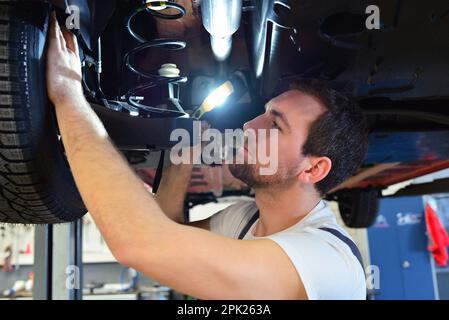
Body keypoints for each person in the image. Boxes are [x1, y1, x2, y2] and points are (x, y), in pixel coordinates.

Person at [46, 12, 369, 300]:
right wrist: (183, 157)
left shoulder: (328, 261)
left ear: (313, 169)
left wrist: (68, 94)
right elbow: (168, 236)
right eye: (263, 113)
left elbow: (142, 244)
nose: (249, 124)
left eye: (274, 124)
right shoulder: (244, 220)